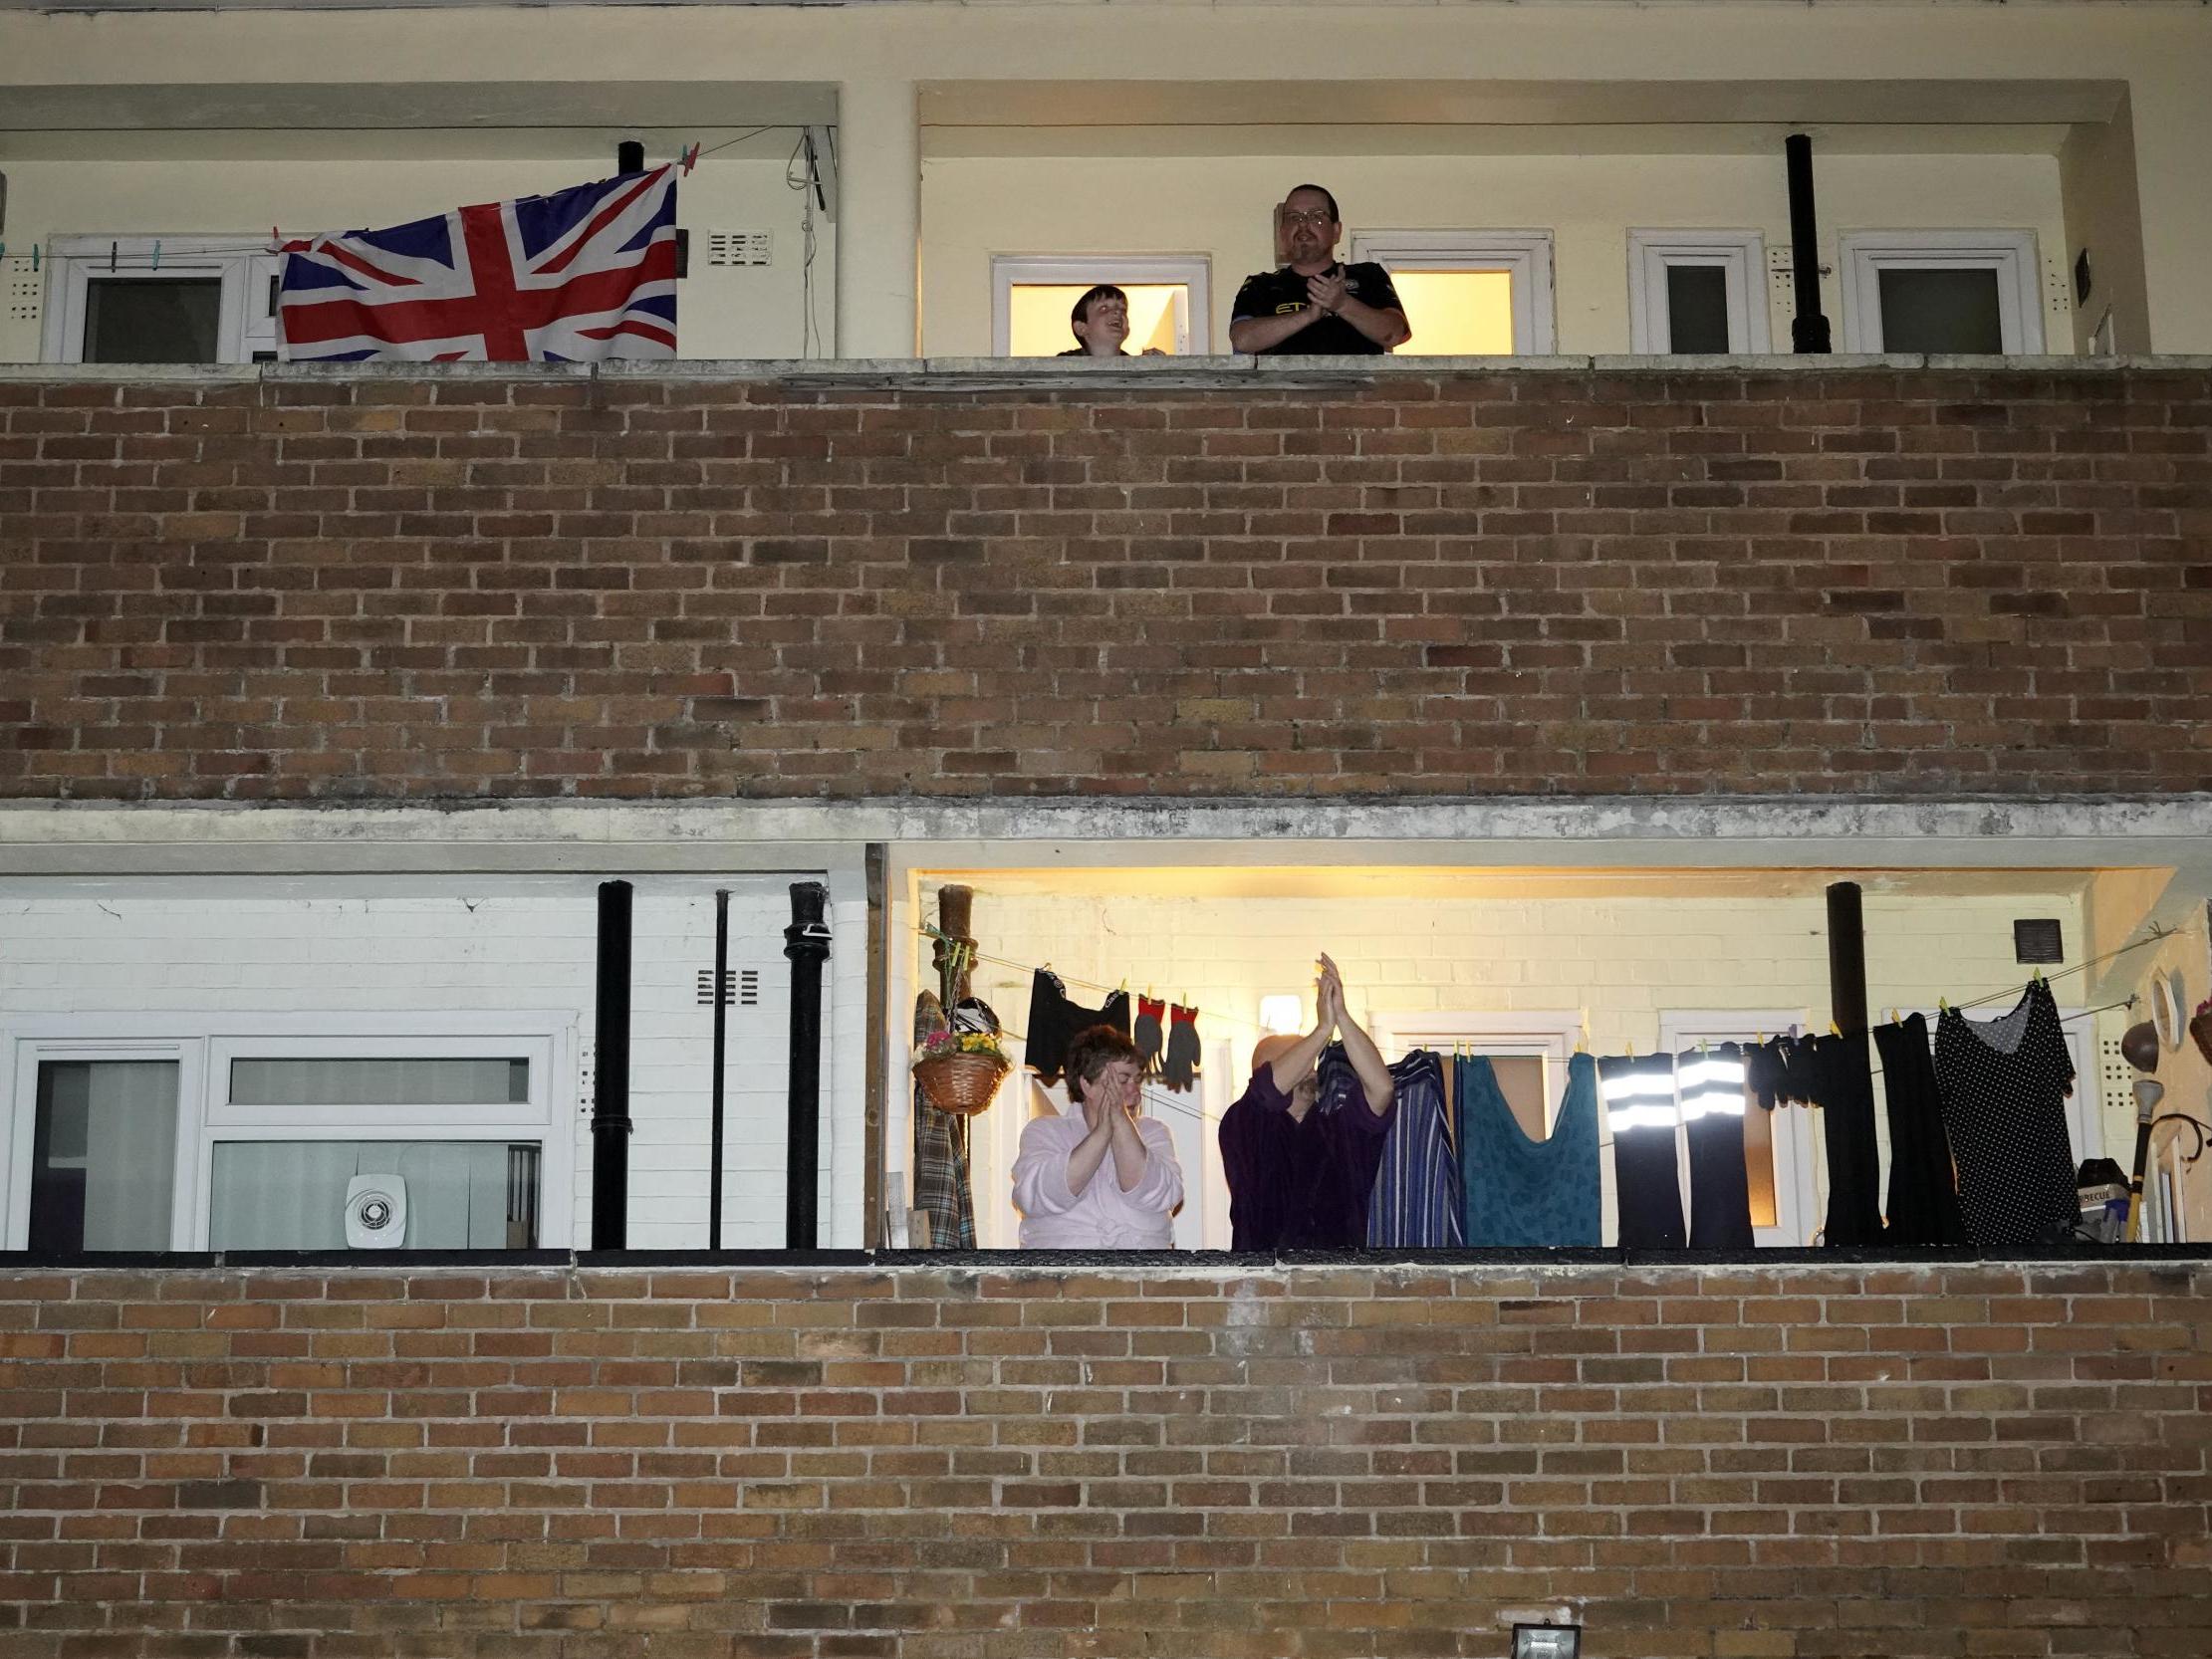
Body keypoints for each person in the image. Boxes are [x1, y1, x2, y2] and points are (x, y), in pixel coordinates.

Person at [1216, 952, 1398, 1250]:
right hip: (1265, 1287)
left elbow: (1381, 1090)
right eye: (1300, 1057)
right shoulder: (1242, 1125)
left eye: (1311, 1059)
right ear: (1265, 1068)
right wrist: (1322, 1030)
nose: (1309, 1067)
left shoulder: (1339, 1131)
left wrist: (1341, 1016)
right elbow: (1267, 1092)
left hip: (1341, 1288)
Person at [1012, 1022, 1184, 1248]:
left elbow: (1159, 1194)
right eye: (1122, 1081)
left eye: (1138, 1080)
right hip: (1060, 1278)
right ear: (1086, 1084)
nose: (1135, 1093)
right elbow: (1035, 1196)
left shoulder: (1153, 1132)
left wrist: (1120, 1122)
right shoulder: (1044, 1131)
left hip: (1142, 1278)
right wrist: (1103, 1133)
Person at [1227, 185, 1410, 356]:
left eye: (1316, 216)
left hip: (1356, 390)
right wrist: (1308, 315)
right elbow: (1242, 341)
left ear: (1336, 230)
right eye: (1294, 217)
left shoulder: (1368, 275)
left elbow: (1394, 334)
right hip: (1283, 391)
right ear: (1283, 233)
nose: (1304, 225)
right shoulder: (1261, 285)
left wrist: (1342, 304)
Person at [1058, 284, 1166, 358]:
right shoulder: (1062, 364)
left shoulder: (1134, 370)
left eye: (1123, 309)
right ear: (1082, 328)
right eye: (1104, 308)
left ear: (1127, 330)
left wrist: (1150, 368)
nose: (1118, 312)